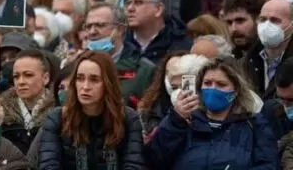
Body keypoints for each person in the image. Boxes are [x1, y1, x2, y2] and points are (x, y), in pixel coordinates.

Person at [146, 58, 277, 170]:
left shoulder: (254, 125)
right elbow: (156, 159)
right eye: (207, 83)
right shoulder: (182, 121)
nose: (213, 89)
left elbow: (268, 165)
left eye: (221, 84)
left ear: (236, 90)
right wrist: (176, 120)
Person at [37, 51, 145, 170]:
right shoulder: (57, 118)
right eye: (80, 78)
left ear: (108, 83)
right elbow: (49, 165)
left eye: (94, 79)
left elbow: (134, 164)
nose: (85, 86)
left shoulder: (128, 118)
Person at [0, 49, 54, 153]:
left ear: (45, 78)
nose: (21, 82)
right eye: (16, 76)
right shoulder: (0, 113)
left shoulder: (60, 111)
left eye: (28, 75)